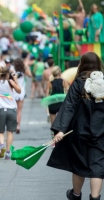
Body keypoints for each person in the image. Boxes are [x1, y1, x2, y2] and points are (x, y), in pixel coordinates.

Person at [47, 52, 104, 200]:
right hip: (101, 131)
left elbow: (69, 107)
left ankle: (76, 195)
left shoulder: (79, 83)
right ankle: (95, 197)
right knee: (97, 166)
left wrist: (60, 130)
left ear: (82, 64)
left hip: (79, 130)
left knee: (80, 164)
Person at [0, 67, 21, 159]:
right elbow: (19, 90)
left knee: (1, 131)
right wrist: (15, 80)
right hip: (11, 110)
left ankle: (2, 145)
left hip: (0, 110)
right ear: (7, 74)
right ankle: (8, 152)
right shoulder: (10, 82)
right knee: (10, 132)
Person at [45, 66, 69, 148]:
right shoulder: (64, 82)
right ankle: (61, 140)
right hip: (61, 104)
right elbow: (68, 92)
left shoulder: (49, 82)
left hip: (52, 104)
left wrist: (47, 110)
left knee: (53, 124)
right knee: (62, 123)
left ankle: (53, 142)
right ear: (59, 73)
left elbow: (47, 96)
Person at [13, 58, 32, 133]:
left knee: (14, 110)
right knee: (19, 110)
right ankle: (18, 126)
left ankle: (14, 125)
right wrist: (26, 66)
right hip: (21, 92)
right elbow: (30, 75)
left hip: (14, 92)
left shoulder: (13, 71)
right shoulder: (23, 71)